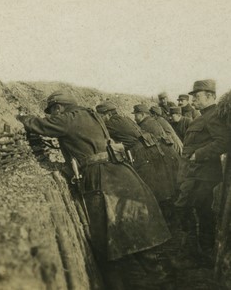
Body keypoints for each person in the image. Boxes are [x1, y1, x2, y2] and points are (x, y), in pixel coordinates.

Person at [17, 91, 173, 289]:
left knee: (112, 232)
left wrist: (21, 118)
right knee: (137, 229)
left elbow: (40, 126)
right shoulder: (90, 114)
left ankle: (142, 280)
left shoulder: (69, 118)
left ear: (59, 107)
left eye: (52, 112)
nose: (52, 116)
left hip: (102, 178)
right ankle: (163, 278)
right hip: (119, 172)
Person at [175, 79, 230, 266]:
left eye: (196, 96)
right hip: (195, 173)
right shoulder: (201, 117)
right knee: (200, 211)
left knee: (190, 208)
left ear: (210, 96)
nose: (193, 101)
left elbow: (222, 142)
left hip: (204, 175)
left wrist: (198, 155)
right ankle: (200, 251)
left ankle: (198, 253)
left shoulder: (214, 115)